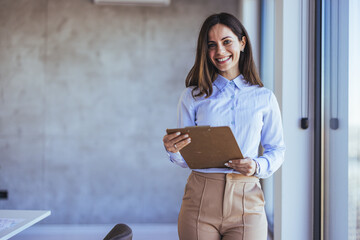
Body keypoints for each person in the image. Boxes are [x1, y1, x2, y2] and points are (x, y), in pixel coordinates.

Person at [163, 12, 285, 240]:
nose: (219, 51)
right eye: (212, 45)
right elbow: (185, 159)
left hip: (247, 201)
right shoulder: (193, 96)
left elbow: (277, 149)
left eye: (226, 42)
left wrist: (257, 166)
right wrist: (174, 150)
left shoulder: (264, 98)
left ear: (242, 42)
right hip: (200, 200)